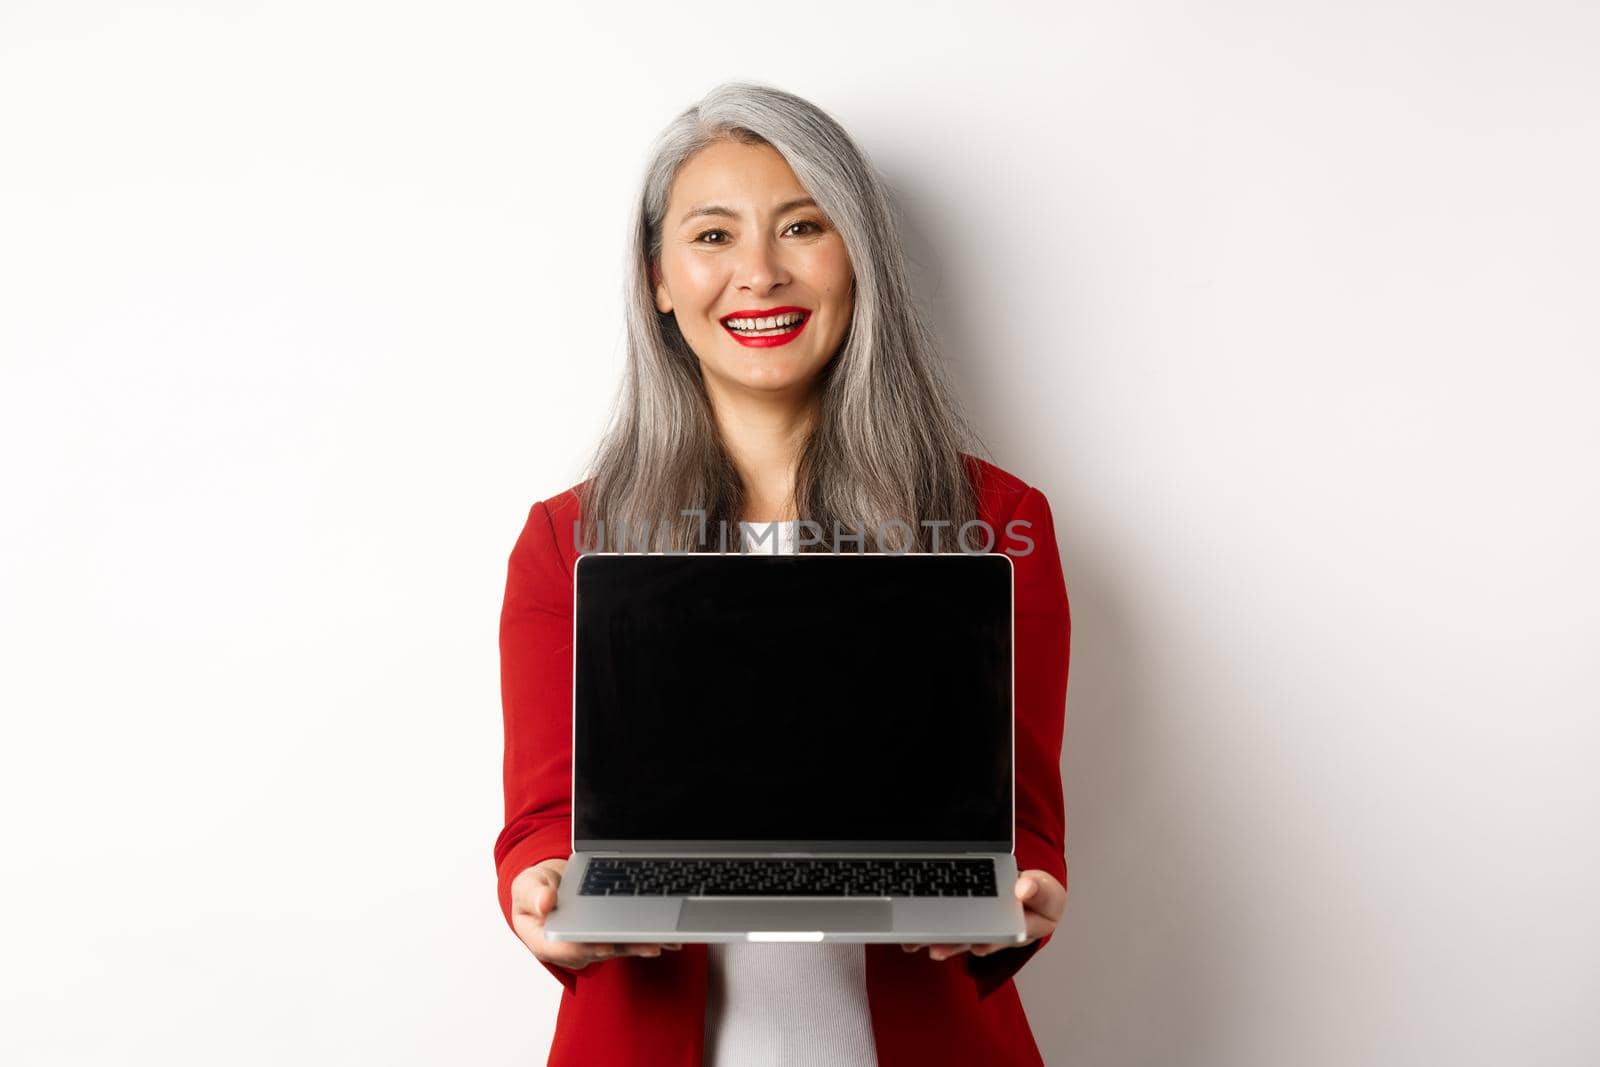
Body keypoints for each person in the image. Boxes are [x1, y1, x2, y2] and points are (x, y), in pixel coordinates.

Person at [492, 81, 1072, 1067]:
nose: (758, 273)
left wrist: (1022, 893)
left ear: (859, 259)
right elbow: (546, 822)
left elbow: (1018, 824)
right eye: (712, 236)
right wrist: (544, 892)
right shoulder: (568, 537)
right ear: (658, 280)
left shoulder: (996, 524)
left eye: (803, 225)